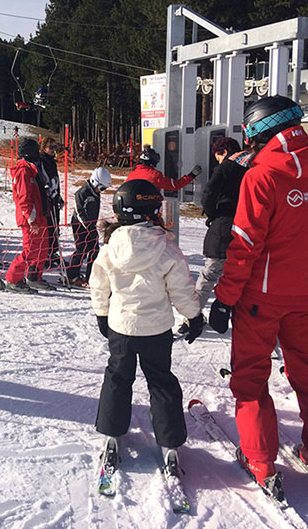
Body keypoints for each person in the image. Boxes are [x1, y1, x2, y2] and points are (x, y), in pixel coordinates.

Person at [209, 95, 308, 500]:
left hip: (261, 299)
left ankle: (261, 460)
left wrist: (224, 297)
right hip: (307, 295)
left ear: (258, 131)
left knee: (250, 377)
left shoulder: (262, 175)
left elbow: (246, 243)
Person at [91, 179, 203, 478]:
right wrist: (193, 315)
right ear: (151, 210)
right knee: (160, 380)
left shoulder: (110, 247)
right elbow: (181, 289)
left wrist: (102, 313)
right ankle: (170, 441)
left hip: (122, 328)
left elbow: (98, 283)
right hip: (156, 330)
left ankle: (113, 432)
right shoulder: (166, 248)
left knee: (118, 376)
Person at [193, 137, 245, 308]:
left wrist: (212, 214)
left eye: (218, 156)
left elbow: (208, 194)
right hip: (246, 227)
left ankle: (193, 315)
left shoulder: (224, 168)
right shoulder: (252, 166)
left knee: (210, 274)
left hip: (223, 225)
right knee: (242, 275)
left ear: (222, 152)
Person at [0, 138, 50, 292]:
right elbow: (23, 198)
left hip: (39, 215)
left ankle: (34, 276)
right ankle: (13, 279)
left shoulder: (32, 169)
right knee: (30, 251)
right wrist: (30, 218)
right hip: (30, 219)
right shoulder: (23, 171)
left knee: (42, 248)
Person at [66, 167, 111, 286]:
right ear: (94, 182)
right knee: (81, 249)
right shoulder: (81, 193)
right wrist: (89, 227)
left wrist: (92, 227)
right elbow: (80, 212)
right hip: (79, 225)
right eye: (102, 188)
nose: (101, 191)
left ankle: (91, 276)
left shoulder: (95, 193)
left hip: (90, 225)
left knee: (94, 249)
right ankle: (72, 275)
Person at [36, 137, 64, 268]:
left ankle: (53, 252)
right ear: (44, 148)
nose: (53, 150)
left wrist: (58, 195)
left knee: (55, 225)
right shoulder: (41, 161)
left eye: (55, 147)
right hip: (47, 198)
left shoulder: (52, 161)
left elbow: (55, 179)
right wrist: (47, 191)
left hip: (54, 197)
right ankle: (46, 253)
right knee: (48, 226)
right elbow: (42, 177)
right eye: (51, 147)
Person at [126, 146, 201, 191]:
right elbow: (175, 185)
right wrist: (191, 175)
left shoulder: (132, 174)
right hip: (149, 209)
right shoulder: (155, 175)